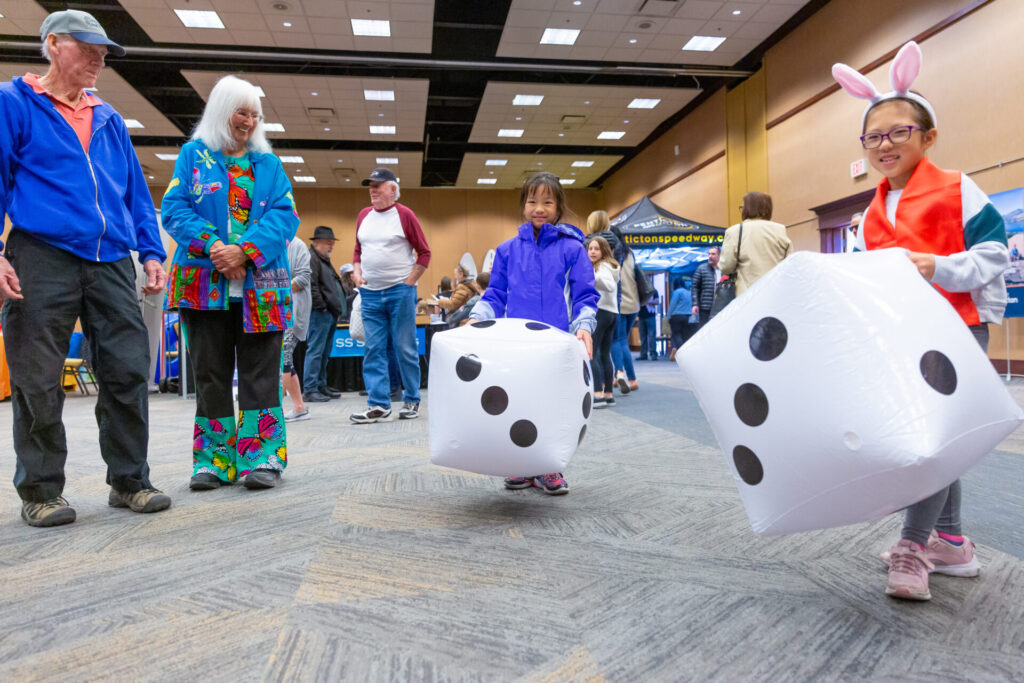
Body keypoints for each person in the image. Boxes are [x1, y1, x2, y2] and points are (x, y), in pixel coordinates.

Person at [833, 41, 1008, 600]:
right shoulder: (869, 212)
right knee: (934, 439)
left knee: (927, 442)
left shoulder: (959, 188)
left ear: (927, 137)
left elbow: (996, 254)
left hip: (956, 328)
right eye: (873, 137)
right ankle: (951, 542)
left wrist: (938, 266)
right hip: (898, 339)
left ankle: (912, 545)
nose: (884, 145)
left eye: (897, 132)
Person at [0, 10, 172, 526]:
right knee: (37, 376)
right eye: (88, 48)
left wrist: (152, 250)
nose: (99, 59)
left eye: (104, 52)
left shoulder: (109, 118)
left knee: (126, 369)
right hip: (41, 253)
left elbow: (135, 194)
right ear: (53, 44)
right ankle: (41, 490)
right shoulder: (14, 104)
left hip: (111, 258)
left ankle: (129, 481)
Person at [163, 73, 298, 491]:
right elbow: (174, 208)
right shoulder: (192, 157)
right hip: (203, 287)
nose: (249, 122)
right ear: (222, 112)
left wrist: (246, 251)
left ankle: (262, 459)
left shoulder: (269, 165)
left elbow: (285, 215)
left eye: (255, 115)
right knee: (211, 375)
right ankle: (214, 461)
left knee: (261, 375)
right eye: (242, 112)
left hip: (263, 289)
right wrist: (216, 247)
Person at [470, 172, 598, 495]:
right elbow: (495, 295)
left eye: (547, 201)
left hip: (556, 342)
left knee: (553, 402)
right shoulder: (507, 250)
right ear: (523, 206)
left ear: (558, 206)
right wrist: (477, 318)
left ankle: (549, 468)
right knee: (517, 400)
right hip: (516, 343)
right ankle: (520, 465)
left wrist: (584, 326)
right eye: (532, 201)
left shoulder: (573, 249)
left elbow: (585, 295)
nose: (539, 208)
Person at [351, 167, 431, 423]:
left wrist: (409, 283)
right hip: (371, 293)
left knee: (404, 347)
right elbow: (357, 251)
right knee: (373, 348)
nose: (372, 190)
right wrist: (356, 271)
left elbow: (424, 252)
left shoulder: (404, 214)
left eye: (378, 185)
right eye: (370, 185)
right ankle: (378, 404)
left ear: (393, 189)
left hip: (400, 291)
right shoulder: (364, 215)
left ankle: (411, 399)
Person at [587, 210, 639, 393]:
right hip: (617, 302)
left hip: (597, 304)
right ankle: (624, 376)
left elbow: (600, 280)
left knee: (594, 349)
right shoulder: (620, 245)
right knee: (618, 341)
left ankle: (599, 389)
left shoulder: (589, 244)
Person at [719, 192, 792, 295]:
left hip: (747, 296)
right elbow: (789, 262)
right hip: (775, 293)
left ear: (746, 209)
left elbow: (726, 267)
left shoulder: (735, 232)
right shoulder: (780, 230)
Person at [303, 225, 345, 403]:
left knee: (324, 351)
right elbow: (311, 285)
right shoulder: (313, 258)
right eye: (328, 242)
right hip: (320, 313)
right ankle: (310, 388)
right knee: (316, 351)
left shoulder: (322, 259)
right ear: (317, 242)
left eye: (332, 243)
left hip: (328, 313)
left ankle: (320, 385)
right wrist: (322, 307)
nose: (331, 246)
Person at [586, 235, 619, 408]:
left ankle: (598, 394)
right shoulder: (612, 266)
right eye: (590, 248)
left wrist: (589, 276)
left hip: (600, 313)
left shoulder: (603, 266)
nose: (592, 251)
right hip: (612, 313)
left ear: (604, 250)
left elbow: (609, 285)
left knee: (592, 352)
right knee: (604, 354)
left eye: (596, 248)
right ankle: (608, 395)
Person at [283, 237, 311, 422]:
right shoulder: (265, 239)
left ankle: (275, 409)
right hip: (268, 310)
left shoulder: (298, 245)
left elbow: (303, 278)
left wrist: (276, 289)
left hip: (292, 311)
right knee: (284, 359)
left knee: (283, 357)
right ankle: (299, 406)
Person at [691, 246, 721, 327]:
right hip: (705, 306)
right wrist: (695, 304)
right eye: (709, 254)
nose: (710, 256)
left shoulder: (724, 269)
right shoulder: (702, 269)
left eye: (713, 254)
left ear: (719, 255)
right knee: (704, 329)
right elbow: (695, 287)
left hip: (721, 305)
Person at [667, 279, 693, 360]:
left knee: (676, 334)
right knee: (685, 335)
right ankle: (686, 353)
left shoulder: (677, 292)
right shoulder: (689, 292)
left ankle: (681, 353)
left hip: (676, 316)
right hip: (687, 316)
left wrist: (668, 317)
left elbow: (672, 305)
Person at [637, 290, 659, 360]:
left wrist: (647, 302)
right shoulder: (639, 291)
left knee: (652, 336)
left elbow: (657, 301)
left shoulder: (653, 291)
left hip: (650, 316)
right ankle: (643, 354)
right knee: (642, 337)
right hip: (641, 316)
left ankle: (653, 354)